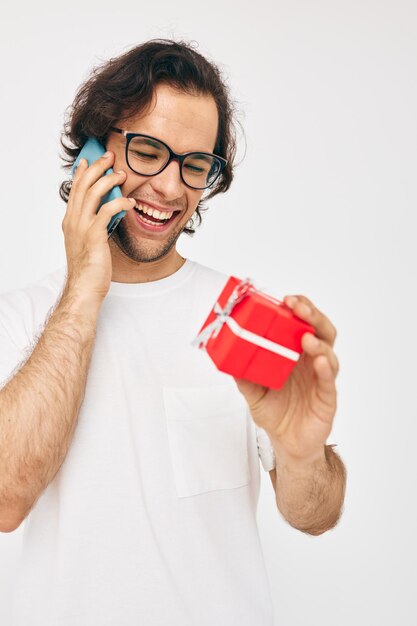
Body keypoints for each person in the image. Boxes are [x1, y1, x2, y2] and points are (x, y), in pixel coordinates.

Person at [0, 39, 346, 626]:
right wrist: (86, 288)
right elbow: (6, 499)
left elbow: (314, 515)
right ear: (94, 151)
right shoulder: (25, 318)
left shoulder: (239, 314)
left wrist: (303, 453)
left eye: (193, 164)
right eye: (147, 151)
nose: (169, 187)